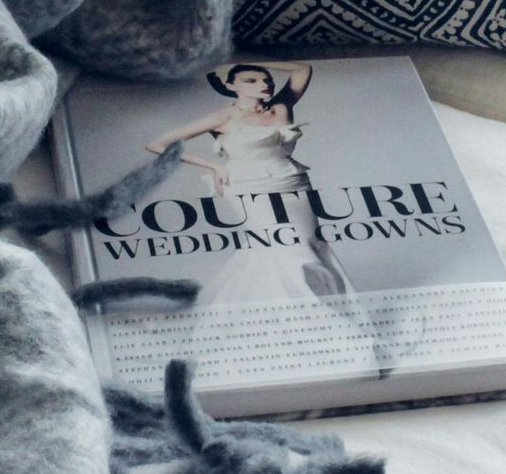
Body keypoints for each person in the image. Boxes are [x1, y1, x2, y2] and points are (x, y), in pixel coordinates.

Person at [142, 61, 354, 304]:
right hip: (248, 187)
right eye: (250, 80)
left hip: (294, 183)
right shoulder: (223, 117)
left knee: (313, 245)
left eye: (267, 80)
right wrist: (214, 166)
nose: (264, 84)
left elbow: (302, 70)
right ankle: (313, 320)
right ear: (231, 85)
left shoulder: (281, 106)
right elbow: (157, 144)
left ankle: (308, 314)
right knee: (292, 254)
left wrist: (250, 61)